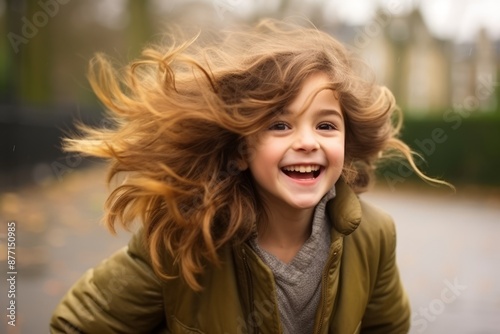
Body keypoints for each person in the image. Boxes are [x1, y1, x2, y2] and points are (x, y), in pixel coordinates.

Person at [50, 18, 449, 334]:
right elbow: (76, 325)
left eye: (326, 126)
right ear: (242, 151)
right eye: (280, 125)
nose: (307, 141)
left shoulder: (375, 236)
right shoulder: (185, 236)